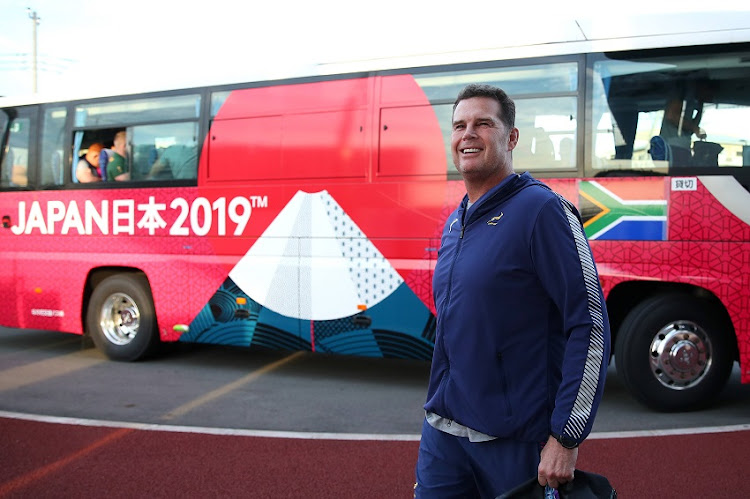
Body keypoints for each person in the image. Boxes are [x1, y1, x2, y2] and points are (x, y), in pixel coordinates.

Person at [414, 84, 610, 498]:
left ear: (511, 137)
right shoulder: (455, 222)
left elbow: (589, 324)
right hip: (443, 433)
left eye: (483, 123)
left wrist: (566, 437)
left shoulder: (543, 211)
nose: (468, 134)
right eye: (459, 125)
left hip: (513, 442)